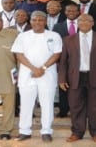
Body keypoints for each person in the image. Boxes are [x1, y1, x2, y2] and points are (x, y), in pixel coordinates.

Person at [58, 14, 96, 143]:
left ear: (92, 22)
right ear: (77, 23)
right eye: (81, 20)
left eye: (87, 20)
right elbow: (63, 62)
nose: (83, 22)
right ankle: (77, 132)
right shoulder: (68, 39)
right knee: (75, 106)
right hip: (74, 77)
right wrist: (62, 79)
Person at [12, 11, 62, 142]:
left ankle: (46, 131)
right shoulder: (23, 36)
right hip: (27, 75)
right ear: (30, 21)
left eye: (40, 20)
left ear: (45, 22)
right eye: (34, 20)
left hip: (47, 75)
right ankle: (24, 131)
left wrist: (43, 68)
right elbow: (19, 54)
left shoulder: (54, 35)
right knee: (26, 104)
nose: (37, 22)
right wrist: (34, 69)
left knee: (47, 104)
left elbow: (56, 54)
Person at [53, 3, 80, 118]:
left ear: (78, 12)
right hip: (63, 60)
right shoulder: (58, 26)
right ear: (65, 12)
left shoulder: (84, 24)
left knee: (78, 85)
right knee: (63, 85)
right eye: (69, 11)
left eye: (74, 11)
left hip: (80, 60)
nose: (71, 13)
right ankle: (63, 109)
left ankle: (77, 109)